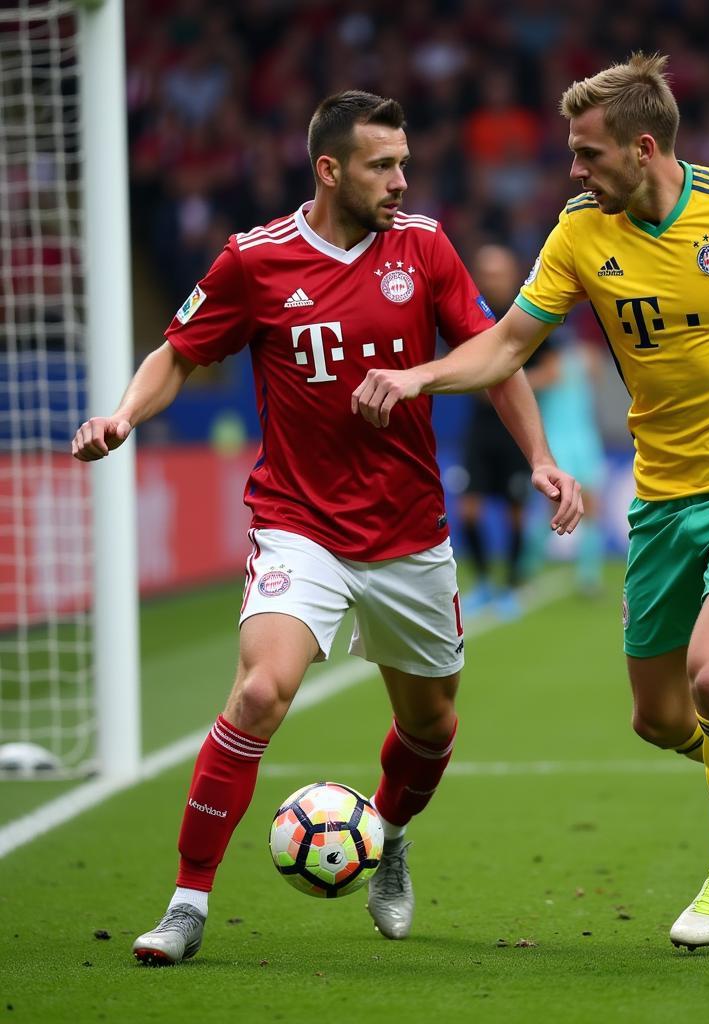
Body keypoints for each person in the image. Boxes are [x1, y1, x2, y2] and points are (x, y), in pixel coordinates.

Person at [352, 54, 709, 951]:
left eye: (587, 154)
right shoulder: (581, 231)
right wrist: (419, 376)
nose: (574, 170)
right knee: (661, 717)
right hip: (667, 494)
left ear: (643, 147)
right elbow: (510, 342)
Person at [72, 90, 582, 966]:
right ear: (330, 169)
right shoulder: (254, 261)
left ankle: (384, 832)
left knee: (431, 728)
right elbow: (179, 351)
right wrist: (124, 415)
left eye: (405, 162)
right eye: (384, 165)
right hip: (299, 523)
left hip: (410, 530)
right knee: (262, 691)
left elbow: (493, 358)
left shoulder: (423, 247)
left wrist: (538, 455)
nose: (402, 180)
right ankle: (189, 901)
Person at [454, 244, 537, 619]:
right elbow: (454, 366)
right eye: (485, 274)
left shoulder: (526, 316)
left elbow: (552, 369)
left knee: (515, 512)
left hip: (514, 430)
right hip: (479, 430)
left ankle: (512, 584)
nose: (492, 281)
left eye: (498, 273)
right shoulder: (467, 317)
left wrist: (508, 381)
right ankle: (486, 582)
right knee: (468, 509)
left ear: (512, 274)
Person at [524, 330, 607, 595]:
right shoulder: (544, 371)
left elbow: (597, 368)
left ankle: (589, 577)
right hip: (557, 444)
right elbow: (522, 386)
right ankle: (526, 566)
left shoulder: (582, 358)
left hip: (584, 440)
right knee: (555, 511)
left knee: (592, 508)